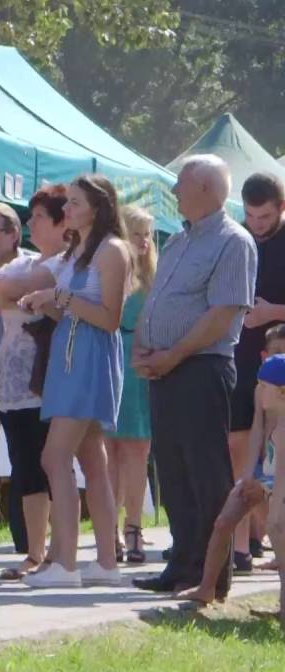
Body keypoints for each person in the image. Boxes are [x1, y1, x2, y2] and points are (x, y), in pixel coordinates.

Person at [133, 155, 257, 595]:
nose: (174, 192)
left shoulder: (232, 242)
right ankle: (182, 564)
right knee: (173, 469)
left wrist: (175, 354)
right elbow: (158, 302)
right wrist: (145, 349)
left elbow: (223, 314)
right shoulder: (178, 242)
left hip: (202, 368)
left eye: (181, 183)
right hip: (166, 369)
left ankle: (212, 575)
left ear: (205, 188)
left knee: (205, 471)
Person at [16, 174, 130, 588]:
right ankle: (105, 562)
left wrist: (60, 298)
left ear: (99, 207)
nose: (68, 209)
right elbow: (74, 312)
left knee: (54, 456)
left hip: (88, 358)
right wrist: (47, 302)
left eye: (77, 203)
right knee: (91, 461)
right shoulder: (78, 251)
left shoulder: (112, 250)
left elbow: (109, 318)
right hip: (70, 353)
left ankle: (65, 562)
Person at [0, 186, 68, 579]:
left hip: (51, 376)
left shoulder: (57, 264)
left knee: (57, 466)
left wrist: (22, 296)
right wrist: (21, 299)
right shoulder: (20, 270)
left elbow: (60, 304)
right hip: (12, 380)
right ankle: (35, 552)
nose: (31, 223)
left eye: (38, 218)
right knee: (24, 464)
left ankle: (59, 553)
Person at [178, 332, 285, 614]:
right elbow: (257, 433)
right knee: (224, 521)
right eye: (276, 351)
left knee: (278, 532)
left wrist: (266, 491)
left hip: (280, 477)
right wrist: (249, 475)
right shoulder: (263, 389)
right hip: (265, 470)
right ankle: (207, 588)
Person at [229, 173, 285, 571]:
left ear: (281, 208)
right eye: (250, 215)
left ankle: (269, 532)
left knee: (276, 447)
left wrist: (272, 313)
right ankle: (244, 539)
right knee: (239, 444)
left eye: (264, 217)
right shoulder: (238, 239)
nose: (257, 224)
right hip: (242, 356)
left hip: (280, 362)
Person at [0, 202, 34, 547]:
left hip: (23, 374)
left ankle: (27, 541)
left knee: (23, 456)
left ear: (14, 233)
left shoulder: (30, 265)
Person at [110, 204, 157, 565]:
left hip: (140, 362)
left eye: (147, 233)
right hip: (111, 356)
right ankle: (108, 529)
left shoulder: (157, 275)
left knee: (137, 450)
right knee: (109, 450)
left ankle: (133, 527)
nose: (143, 241)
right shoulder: (111, 269)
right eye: (136, 232)